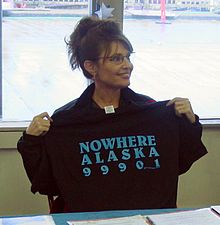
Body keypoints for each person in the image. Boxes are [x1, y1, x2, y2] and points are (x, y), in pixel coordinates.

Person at [17, 16, 207, 213]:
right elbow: (49, 183)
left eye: (128, 57)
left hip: (148, 220)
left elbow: (177, 164)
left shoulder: (151, 111)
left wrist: (188, 124)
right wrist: (31, 140)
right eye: (116, 59)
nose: (128, 65)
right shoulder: (68, 120)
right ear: (90, 66)